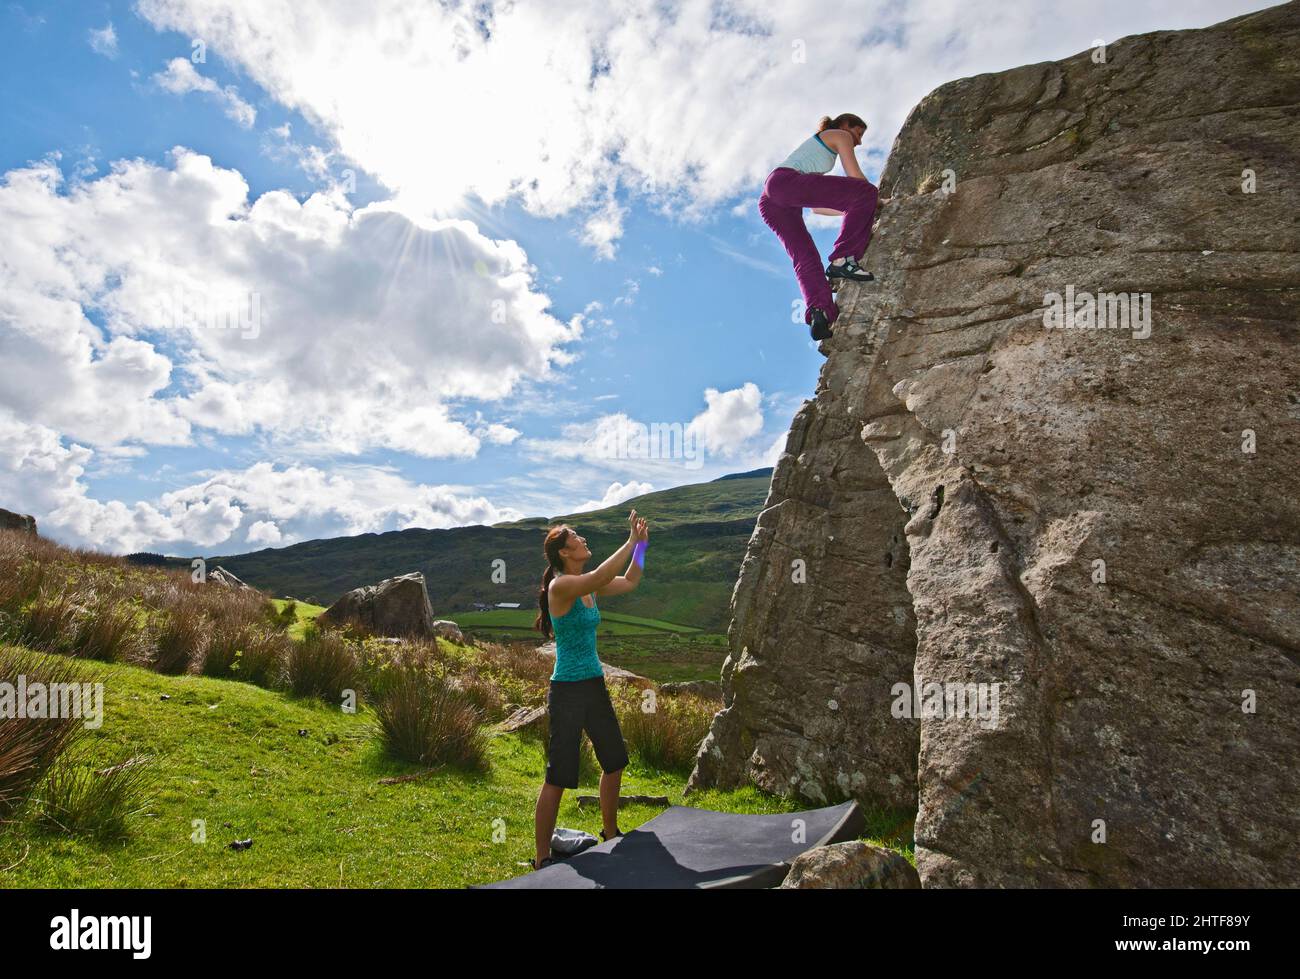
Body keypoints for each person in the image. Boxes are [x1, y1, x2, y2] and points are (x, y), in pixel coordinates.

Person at [530, 510, 649, 870]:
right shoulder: (562, 586)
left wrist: (641, 548)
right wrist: (630, 540)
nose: (583, 540)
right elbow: (602, 574)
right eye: (577, 538)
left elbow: (629, 581)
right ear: (566, 552)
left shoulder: (588, 585)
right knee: (559, 776)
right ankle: (542, 859)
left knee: (614, 761)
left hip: (593, 685)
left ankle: (610, 832)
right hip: (566, 690)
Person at [759, 112, 885, 344]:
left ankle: (821, 312)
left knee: (805, 257)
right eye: (858, 133)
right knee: (866, 191)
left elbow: (818, 208)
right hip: (783, 183)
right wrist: (873, 200)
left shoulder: (817, 152)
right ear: (846, 125)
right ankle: (844, 259)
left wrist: (862, 208)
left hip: (771, 200)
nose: (859, 141)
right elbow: (856, 178)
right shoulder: (838, 135)